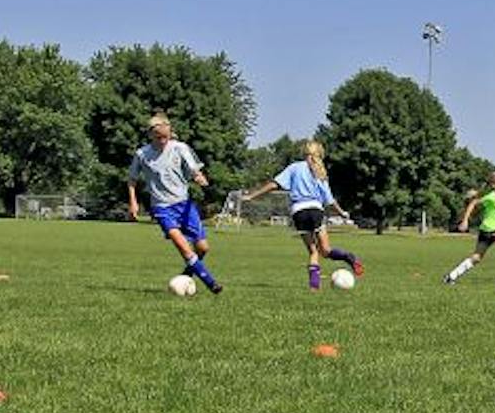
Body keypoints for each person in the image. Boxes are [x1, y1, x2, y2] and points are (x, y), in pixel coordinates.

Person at [239, 140, 362, 290]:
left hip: (299, 212)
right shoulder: (320, 171)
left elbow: (274, 184)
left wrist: (252, 196)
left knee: (313, 251)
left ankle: (314, 287)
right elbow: (329, 200)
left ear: (304, 153)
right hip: (316, 210)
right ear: (319, 154)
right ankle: (349, 258)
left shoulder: (294, 167)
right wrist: (342, 212)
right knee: (326, 250)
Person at [126, 112, 221, 294]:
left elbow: (193, 169)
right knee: (182, 246)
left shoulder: (180, 148)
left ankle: (187, 274)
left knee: (202, 248)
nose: (162, 141)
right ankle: (211, 283)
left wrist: (199, 177)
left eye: (166, 137)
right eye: (158, 137)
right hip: (162, 207)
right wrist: (133, 202)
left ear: (170, 134)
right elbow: (131, 180)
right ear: (150, 135)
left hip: (184, 205)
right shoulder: (142, 154)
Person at [446, 172, 495, 285]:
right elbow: (472, 204)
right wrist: (465, 220)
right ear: (493, 185)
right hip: (489, 230)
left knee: (477, 257)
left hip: (493, 229)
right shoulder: (489, 196)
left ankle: (451, 276)